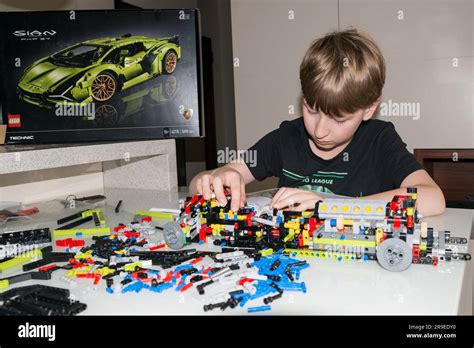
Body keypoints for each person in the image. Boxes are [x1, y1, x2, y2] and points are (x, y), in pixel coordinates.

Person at [189, 29, 445, 217]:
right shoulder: (286, 139)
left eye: (339, 118)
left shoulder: (379, 141)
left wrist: (330, 204)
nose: (320, 130)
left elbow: (433, 199)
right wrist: (216, 177)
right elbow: (197, 185)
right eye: (311, 110)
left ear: (369, 108)